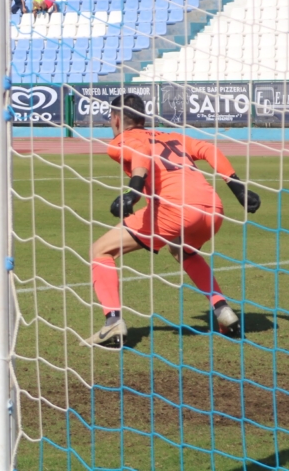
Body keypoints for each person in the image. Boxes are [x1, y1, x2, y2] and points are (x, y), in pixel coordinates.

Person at [83, 93, 258, 345]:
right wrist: (239, 189)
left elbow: (141, 152)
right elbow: (209, 148)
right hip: (212, 208)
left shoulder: (120, 141)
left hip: (176, 209)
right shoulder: (171, 136)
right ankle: (223, 310)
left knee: (100, 250)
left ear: (117, 118)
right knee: (182, 251)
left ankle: (112, 322)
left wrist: (133, 192)